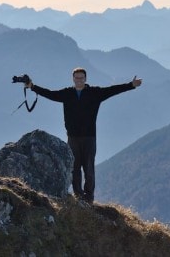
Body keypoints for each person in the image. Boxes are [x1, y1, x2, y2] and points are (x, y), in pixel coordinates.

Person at [25, 67, 142, 203]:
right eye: (76, 78)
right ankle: (78, 196)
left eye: (81, 78)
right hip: (73, 137)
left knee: (88, 168)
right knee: (74, 168)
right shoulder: (67, 93)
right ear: (73, 79)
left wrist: (131, 85)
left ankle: (89, 197)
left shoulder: (95, 93)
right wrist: (32, 87)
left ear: (85, 79)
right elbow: (50, 94)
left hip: (89, 137)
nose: (79, 80)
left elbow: (112, 90)